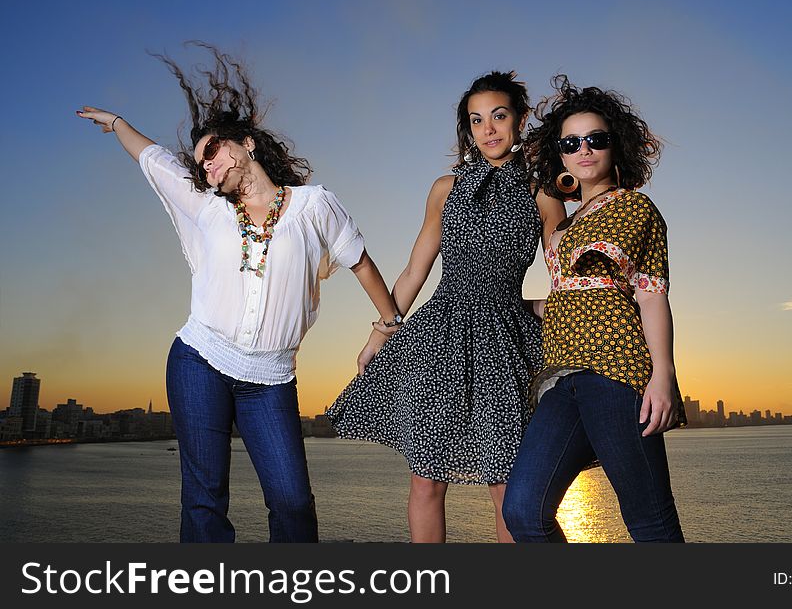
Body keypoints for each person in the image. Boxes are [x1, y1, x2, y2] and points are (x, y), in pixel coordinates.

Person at [76, 44, 401, 543]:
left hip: (269, 380)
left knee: (293, 503)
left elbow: (361, 262)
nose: (206, 168)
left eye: (212, 152)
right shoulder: (207, 207)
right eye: (201, 165)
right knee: (204, 501)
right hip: (199, 361)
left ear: (246, 144)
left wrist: (387, 326)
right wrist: (118, 122)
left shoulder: (314, 206)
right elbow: (156, 160)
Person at [326, 71, 566, 542]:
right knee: (426, 479)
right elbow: (414, 271)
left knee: (507, 482)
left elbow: (566, 275)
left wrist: (537, 309)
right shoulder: (445, 188)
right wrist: (380, 333)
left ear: (518, 120)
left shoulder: (543, 193)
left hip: (504, 342)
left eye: (499, 116)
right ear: (468, 130)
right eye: (477, 121)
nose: (489, 129)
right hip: (440, 337)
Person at [502, 75, 686, 543]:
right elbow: (569, 295)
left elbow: (650, 295)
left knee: (649, 521)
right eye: (571, 143)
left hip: (618, 373)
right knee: (523, 511)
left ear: (615, 145)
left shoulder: (635, 208)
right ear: (559, 153)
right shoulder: (563, 226)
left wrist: (662, 375)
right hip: (560, 378)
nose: (583, 150)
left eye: (596, 140)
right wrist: (502, 305)